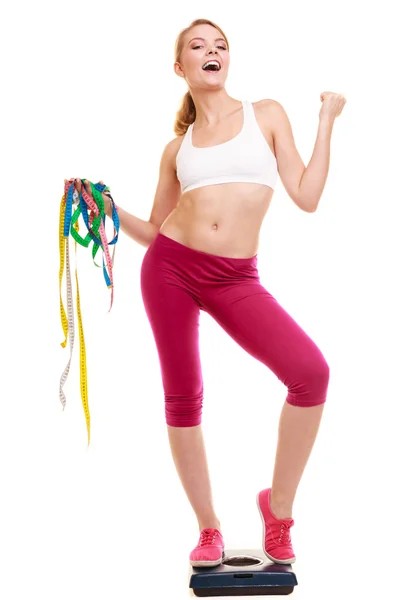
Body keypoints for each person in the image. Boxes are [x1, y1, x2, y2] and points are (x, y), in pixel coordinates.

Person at [77, 18, 346, 569]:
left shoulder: (265, 115)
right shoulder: (176, 149)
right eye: (198, 46)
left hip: (235, 278)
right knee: (184, 397)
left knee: (310, 373)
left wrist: (326, 120)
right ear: (181, 69)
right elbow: (155, 230)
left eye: (220, 45)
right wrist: (108, 208)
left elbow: (308, 195)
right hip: (170, 270)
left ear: (228, 61)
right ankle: (208, 528)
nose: (212, 51)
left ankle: (280, 511)